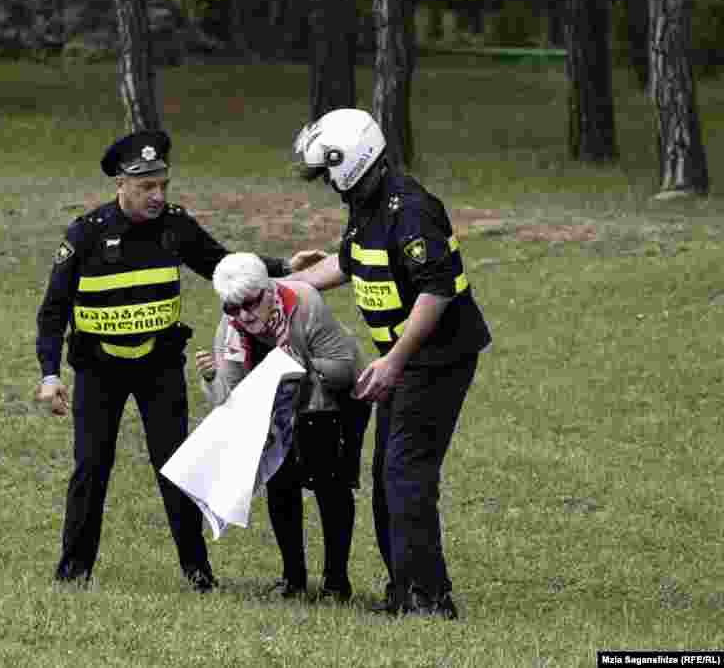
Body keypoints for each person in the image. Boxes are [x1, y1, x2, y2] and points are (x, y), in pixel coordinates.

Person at [35, 129, 325, 592]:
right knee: (91, 467)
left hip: (159, 367)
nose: (158, 195)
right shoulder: (85, 234)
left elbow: (222, 264)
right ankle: (73, 572)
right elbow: (53, 310)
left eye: (163, 185)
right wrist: (50, 375)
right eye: (147, 186)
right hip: (99, 370)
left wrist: (286, 265)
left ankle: (198, 574)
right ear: (120, 184)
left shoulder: (175, 225)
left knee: (175, 466)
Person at [288, 108, 492, 619]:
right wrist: (288, 282)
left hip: (437, 358)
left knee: (407, 474)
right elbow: (351, 259)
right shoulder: (368, 203)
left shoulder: (412, 209)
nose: (324, 182)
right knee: (386, 475)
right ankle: (404, 591)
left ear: (348, 163)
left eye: (326, 171)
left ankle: (429, 599)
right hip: (408, 360)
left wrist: (395, 360)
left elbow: (436, 290)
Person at [193, 253, 372, 602]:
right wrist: (212, 376)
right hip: (277, 401)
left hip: (332, 397)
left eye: (250, 304)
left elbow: (343, 370)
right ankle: (293, 579)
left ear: (268, 290)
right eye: (232, 308)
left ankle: (337, 582)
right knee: (280, 480)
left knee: (329, 483)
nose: (243, 315)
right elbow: (229, 401)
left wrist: (299, 365)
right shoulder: (231, 326)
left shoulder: (305, 303)